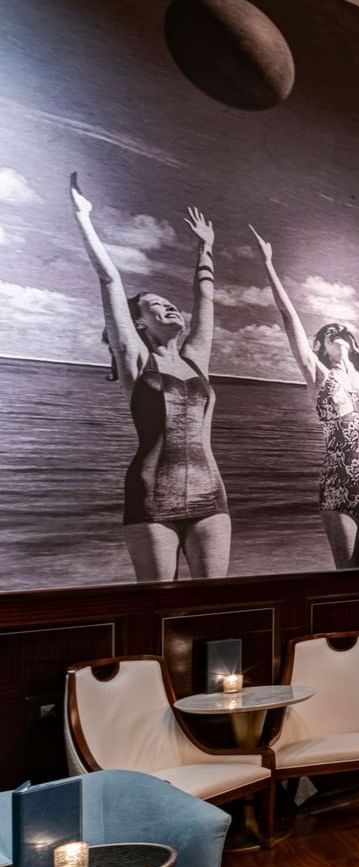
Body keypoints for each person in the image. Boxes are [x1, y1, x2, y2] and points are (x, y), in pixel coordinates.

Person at [69, 173, 231, 581]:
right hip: (151, 499)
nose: (170, 307)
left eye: (170, 302)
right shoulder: (136, 360)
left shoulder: (195, 359)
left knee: (216, 607)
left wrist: (205, 248)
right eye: (156, 306)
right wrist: (83, 217)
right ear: (139, 324)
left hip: (212, 496)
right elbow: (109, 280)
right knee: (160, 612)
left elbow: (204, 298)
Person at [252, 228, 359, 568]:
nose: (336, 333)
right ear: (321, 349)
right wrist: (268, 265)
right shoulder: (318, 377)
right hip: (336, 484)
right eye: (328, 334)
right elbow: (289, 319)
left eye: (342, 331)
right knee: (347, 575)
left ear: (354, 345)